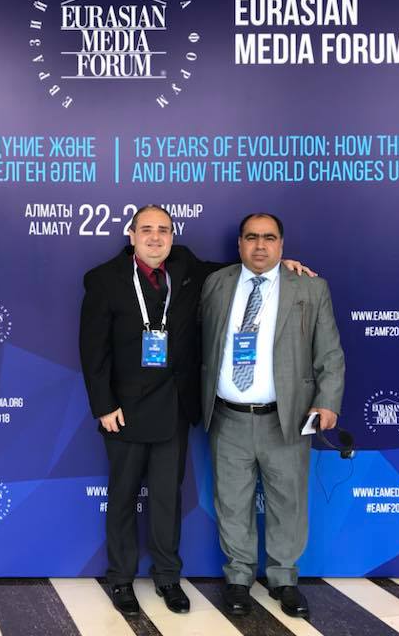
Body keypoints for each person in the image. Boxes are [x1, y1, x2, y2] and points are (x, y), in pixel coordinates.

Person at [79, 205, 313, 617]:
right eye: (146, 230)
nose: (155, 237)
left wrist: (280, 263)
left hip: (173, 406)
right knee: (123, 497)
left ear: (173, 236)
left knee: (167, 499)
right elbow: (92, 350)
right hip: (123, 411)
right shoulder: (104, 279)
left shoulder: (186, 267)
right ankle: (120, 579)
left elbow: (240, 268)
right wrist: (104, 405)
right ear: (131, 235)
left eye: (163, 230)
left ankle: (168, 577)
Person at [199, 213, 344, 619]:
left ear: (282, 244)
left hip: (287, 418)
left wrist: (328, 401)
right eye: (251, 237)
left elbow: (330, 353)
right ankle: (238, 578)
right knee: (232, 502)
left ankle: (284, 580)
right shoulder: (216, 283)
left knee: (288, 501)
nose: (260, 246)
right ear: (239, 244)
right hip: (227, 417)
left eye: (269, 238)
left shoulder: (310, 288)